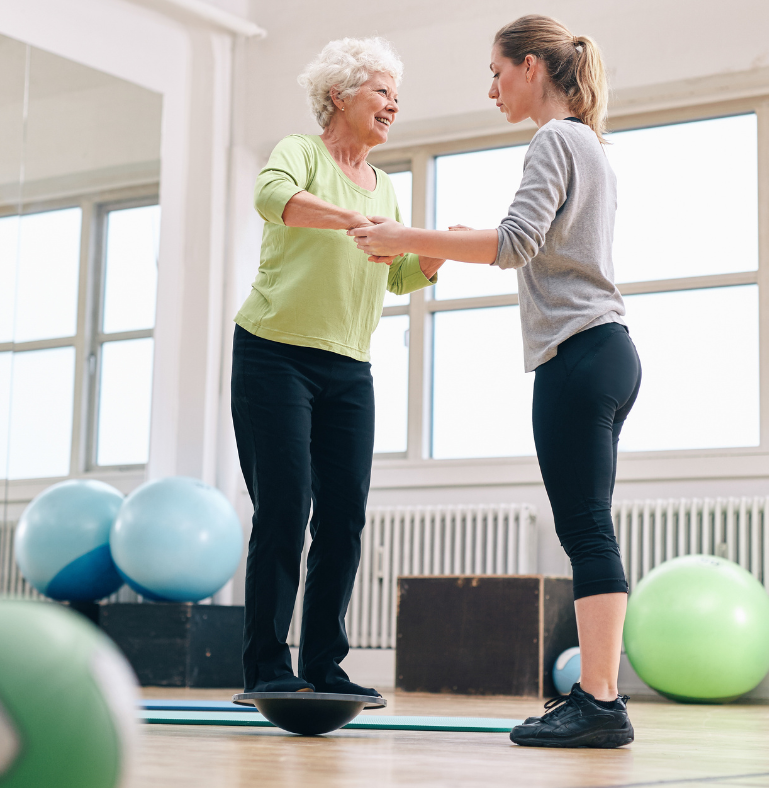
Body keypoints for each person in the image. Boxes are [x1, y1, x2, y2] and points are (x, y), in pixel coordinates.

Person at [350, 15, 641, 746]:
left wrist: (405, 236)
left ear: (534, 66)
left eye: (497, 71)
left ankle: (601, 704)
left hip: (577, 353)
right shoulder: (592, 146)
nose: (491, 88)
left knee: (584, 530)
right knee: (590, 526)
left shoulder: (555, 138)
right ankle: (602, 700)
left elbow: (515, 244)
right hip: (607, 349)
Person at [231, 37, 444, 697]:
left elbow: (397, 273)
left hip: (349, 368)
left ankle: (324, 665)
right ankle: (267, 667)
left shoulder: (387, 185)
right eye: (381, 90)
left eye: (394, 93)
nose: (393, 103)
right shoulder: (301, 152)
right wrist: (358, 221)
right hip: (274, 355)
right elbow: (275, 199)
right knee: (285, 509)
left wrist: (431, 255)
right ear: (339, 95)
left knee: (343, 516)